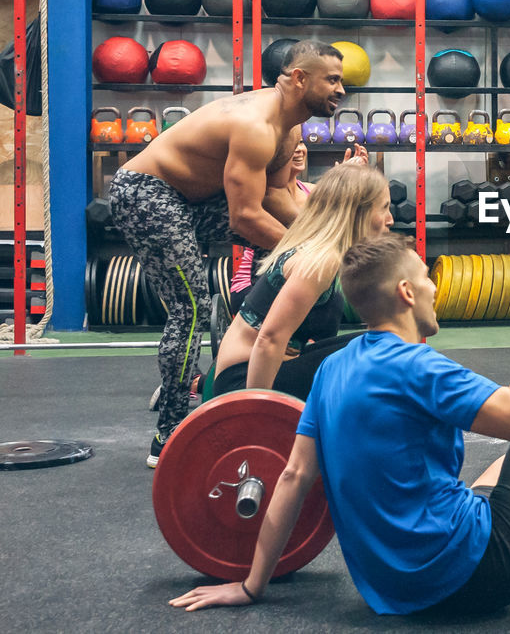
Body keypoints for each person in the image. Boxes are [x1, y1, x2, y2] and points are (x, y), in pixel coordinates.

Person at [170, 234, 510, 616]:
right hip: (477, 574)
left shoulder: (333, 368)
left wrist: (250, 583)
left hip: (394, 590)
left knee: (496, 474)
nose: (434, 287)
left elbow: (291, 478)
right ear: (406, 293)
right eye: (427, 278)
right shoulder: (418, 366)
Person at [110, 39, 349, 467]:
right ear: (299, 78)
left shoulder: (290, 128)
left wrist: (326, 239)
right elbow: (244, 219)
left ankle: (199, 374)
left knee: (302, 250)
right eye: (331, 79)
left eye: (341, 80)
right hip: (146, 194)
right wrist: (310, 256)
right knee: (191, 309)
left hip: (194, 201)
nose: (341, 89)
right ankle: (168, 434)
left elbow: (277, 197)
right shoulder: (256, 125)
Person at [210, 162, 393, 401]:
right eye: (384, 208)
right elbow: (268, 341)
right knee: (380, 352)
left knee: (384, 342)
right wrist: (255, 411)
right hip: (243, 379)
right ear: (358, 212)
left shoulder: (328, 254)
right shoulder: (321, 260)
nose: (390, 218)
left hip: (269, 366)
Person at [227, 140, 313, 318]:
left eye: (301, 143)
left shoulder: (313, 192)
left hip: (296, 279)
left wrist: (350, 177)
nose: (298, 150)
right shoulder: (264, 194)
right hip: (253, 284)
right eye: (291, 147)